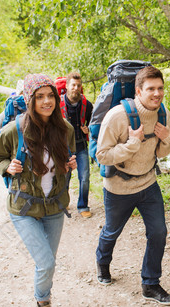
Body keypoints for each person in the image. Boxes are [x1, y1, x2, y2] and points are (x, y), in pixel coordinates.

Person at [0, 74, 77, 307]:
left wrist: (69, 163)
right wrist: (8, 166)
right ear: (29, 100)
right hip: (23, 208)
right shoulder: (14, 130)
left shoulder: (65, 129)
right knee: (46, 263)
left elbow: (68, 157)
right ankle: (43, 300)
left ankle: (42, 296)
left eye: (51, 96)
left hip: (55, 206)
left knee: (48, 261)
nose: (47, 101)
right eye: (40, 97)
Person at [95, 66, 170, 305]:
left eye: (160, 88)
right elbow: (102, 155)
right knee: (112, 231)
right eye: (151, 89)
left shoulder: (162, 113)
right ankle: (103, 262)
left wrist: (166, 139)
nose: (157, 93)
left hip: (148, 183)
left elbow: (161, 152)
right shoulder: (117, 116)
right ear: (138, 91)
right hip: (119, 187)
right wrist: (132, 144)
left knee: (159, 232)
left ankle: (150, 284)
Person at [61, 72, 93, 218]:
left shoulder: (87, 105)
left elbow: (93, 123)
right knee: (64, 176)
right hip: (63, 147)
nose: (76, 88)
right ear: (67, 86)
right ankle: (64, 202)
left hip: (81, 146)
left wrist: (89, 129)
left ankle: (83, 206)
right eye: (73, 85)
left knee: (84, 177)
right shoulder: (58, 103)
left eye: (78, 85)